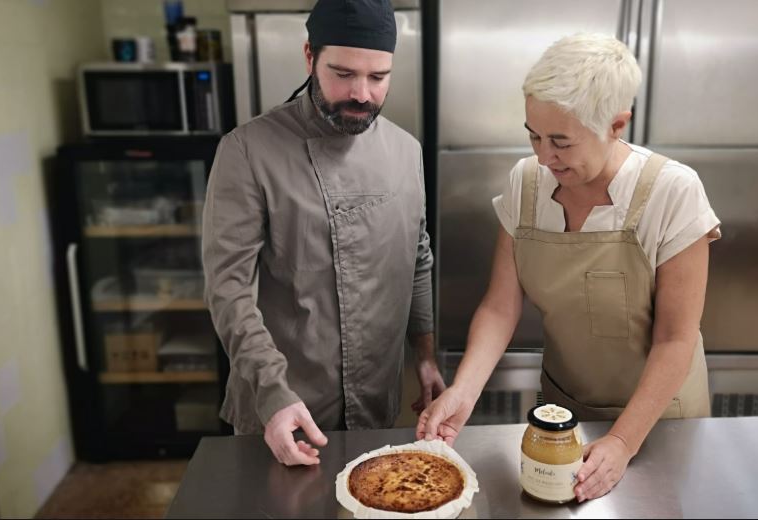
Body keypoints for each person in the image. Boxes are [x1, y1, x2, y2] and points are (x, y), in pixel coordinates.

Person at [416, 33, 721, 501]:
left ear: (616, 125)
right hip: (563, 416)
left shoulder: (673, 192)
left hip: (659, 424)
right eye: (534, 135)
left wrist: (623, 441)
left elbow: (675, 339)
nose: (543, 156)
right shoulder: (526, 184)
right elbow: (500, 306)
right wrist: (464, 391)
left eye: (560, 141)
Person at [203, 0, 444, 467]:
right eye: (343, 73)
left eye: (378, 77)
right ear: (310, 56)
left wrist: (426, 356)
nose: (361, 94)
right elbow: (228, 288)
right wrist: (272, 393)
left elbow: (416, 260)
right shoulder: (247, 151)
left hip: (376, 401)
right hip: (282, 408)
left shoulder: (405, 151)